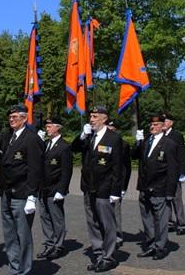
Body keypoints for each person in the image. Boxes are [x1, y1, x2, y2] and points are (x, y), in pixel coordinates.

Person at [71, 105, 123, 273]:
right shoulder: (89, 137)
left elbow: (118, 167)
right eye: (90, 116)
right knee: (92, 222)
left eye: (94, 116)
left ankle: (108, 257)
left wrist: (116, 191)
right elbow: (74, 148)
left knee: (107, 224)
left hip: (105, 188)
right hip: (89, 187)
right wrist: (82, 135)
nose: (91, 120)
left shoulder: (113, 138)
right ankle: (99, 253)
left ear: (104, 118)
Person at [0, 104, 44, 275]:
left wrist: (32, 195)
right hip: (7, 193)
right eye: (10, 117)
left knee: (22, 235)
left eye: (15, 117)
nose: (11, 120)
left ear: (24, 118)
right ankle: (14, 268)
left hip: (22, 193)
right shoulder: (10, 136)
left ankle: (24, 270)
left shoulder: (31, 138)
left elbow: (35, 169)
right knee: (9, 234)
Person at [133, 115, 179, 260]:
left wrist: (171, 191)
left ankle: (160, 247)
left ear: (163, 126)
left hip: (160, 188)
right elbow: (134, 156)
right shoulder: (146, 141)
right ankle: (151, 244)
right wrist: (138, 142)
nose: (152, 127)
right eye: (151, 124)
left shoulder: (169, 144)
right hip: (145, 187)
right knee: (147, 219)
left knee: (161, 220)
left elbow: (173, 170)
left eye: (156, 124)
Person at [36, 117, 73, 260]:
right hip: (43, 188)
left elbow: (66, 171)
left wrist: (62, 190)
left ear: (58, 128)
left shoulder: (64, 146)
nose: (47, 128)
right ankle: (49, 244)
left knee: (56, 218)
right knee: (44, 217)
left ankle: (58, 246)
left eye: (50, 126)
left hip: (55, 188)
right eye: (47, 126)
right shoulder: (45, 144)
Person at [161, 113, 185, 235]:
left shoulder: (177, 136)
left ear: (171, 123)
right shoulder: (159, 135)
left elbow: (181, 155)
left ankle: (181, 223)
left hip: (174, 172)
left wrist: (182, 172)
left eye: (165, 121)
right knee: (165, 199)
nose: (164, 123)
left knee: (176, 199)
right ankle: (169, 222)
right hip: (162, 173)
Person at [106, 120, 131, 248]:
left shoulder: (123, 144)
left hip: (117, 184)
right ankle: (107, 236)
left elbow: (126, 168)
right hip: (104, 183)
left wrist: (123, 186)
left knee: (115, 212)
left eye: (112, 129)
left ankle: (117, 237)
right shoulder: (102, 142)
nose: (110, 130)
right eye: (108, 128)